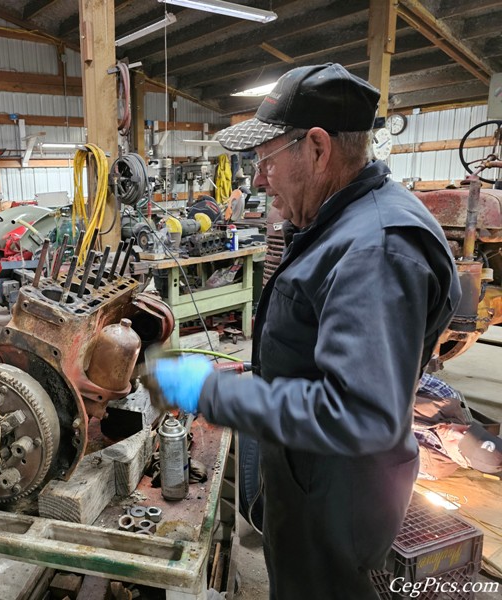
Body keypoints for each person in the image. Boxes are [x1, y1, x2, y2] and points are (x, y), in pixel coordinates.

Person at [149, 63, 461, 599]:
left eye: (264, 160)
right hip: (311, 481)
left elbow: (359, 414)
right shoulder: (345, 221)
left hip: (337, 506)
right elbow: (320, 352)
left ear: (317, 149)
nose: (258, 180)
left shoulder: (375, 251)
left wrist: (212, 391)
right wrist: (248, 373)